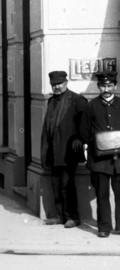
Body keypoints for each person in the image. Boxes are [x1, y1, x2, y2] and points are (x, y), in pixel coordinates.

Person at [40, 70, 87, 227]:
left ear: (66, 83)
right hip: (53, 151)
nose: (56, 87)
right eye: (53, 84)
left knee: (67, 185)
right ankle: (59, 216)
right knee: (55, 184)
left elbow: (85, 125)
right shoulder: (51, 101)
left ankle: (73, 217)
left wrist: (80, 140)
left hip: (68, 152)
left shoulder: (77, 100)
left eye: (59, 84)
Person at [79, 70, 120, 238]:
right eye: (103, 86)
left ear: (115, 86)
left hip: (119, 160)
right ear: (98, 87)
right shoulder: (91, 106)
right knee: (101, 195)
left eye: (110, 85)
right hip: (99, 160)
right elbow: (83, 131)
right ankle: (104, 227)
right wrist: (99, 142)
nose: (106, 89)